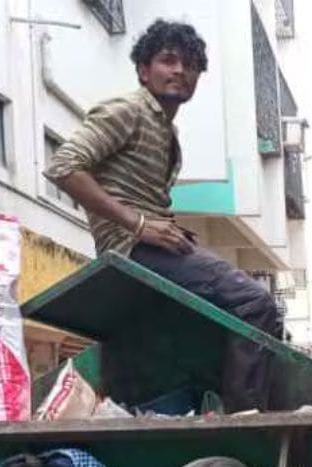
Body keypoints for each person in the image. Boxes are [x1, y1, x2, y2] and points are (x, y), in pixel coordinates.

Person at [46, 19, 283, 412]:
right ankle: (245, 418)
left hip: (147, 246)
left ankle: (207, 406)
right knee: (256, 304)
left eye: (189, 65)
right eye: (168, 61)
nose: (179, 71)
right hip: (133, 248)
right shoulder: (128, 111)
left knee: (206, 324)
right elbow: (63, 166)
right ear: (144, 70)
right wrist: (139, 224)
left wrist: (159, 223)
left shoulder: (163, 127)